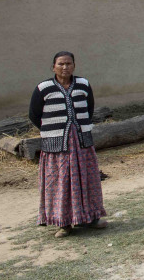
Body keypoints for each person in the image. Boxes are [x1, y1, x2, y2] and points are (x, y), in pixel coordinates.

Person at [29, 51, 107, 238]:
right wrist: (52, 130)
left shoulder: (83, 85)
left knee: (87, 179)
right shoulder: (43, 88)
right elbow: (34, 114)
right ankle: (64, 223)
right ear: (53, 66)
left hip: (81, 143)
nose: (65, 67)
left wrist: (79, 128)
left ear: (74, 65)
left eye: (69, 63)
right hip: (56, 145)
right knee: (60, 182)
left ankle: (90, 218)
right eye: (61, 64)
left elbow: (89, 109)